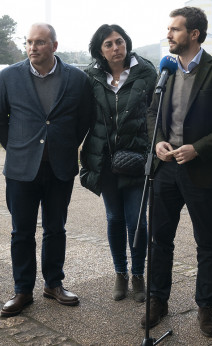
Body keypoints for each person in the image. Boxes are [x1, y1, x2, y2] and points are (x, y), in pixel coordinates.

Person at [140, 6, 212, 338]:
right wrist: (157, 142)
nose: (168, 35)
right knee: (159, 241)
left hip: (201, 171)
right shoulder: (166, 70)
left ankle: (205, 307)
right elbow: (152, 114)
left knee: (206, 242)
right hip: (165, 170)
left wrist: (197, 148)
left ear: (194, 34)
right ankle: (158, 299)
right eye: (168, 29)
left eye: (175, 29)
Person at [0, 23, 93, 317]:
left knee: (55, 229)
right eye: (29, 42)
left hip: (60, 167)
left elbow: (85, 116)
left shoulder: (76, 78)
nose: (33, 47)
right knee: (21, 231)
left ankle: (53, 284)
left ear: (54, 46)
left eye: (40, 42)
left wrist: (67, 144)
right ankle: (22, 290)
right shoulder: (9, 76)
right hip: (21, 170)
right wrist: (18, 146)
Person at [79, 24, 157, 302]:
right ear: (100, 50)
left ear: (127, 43)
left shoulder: (146, 73)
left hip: (136, 159)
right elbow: (82, 115)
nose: (116, 48)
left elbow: (155, 116)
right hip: (104, 160)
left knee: (137, 221)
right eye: (109, 44)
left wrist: (151, 153)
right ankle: (120, 273)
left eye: (119, 42)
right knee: (114, 218)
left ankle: (138, 275)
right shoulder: (90, 77)